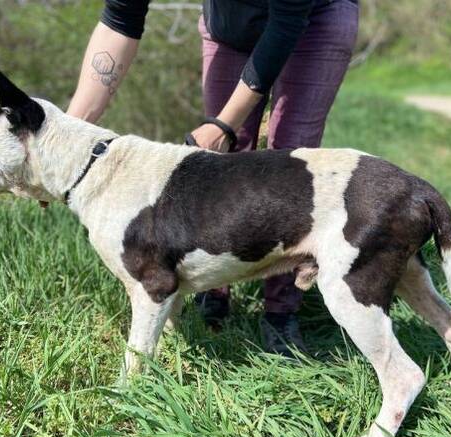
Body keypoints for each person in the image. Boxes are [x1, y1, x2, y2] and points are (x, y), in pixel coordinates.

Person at [68, 0, 359, 357]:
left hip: (313, 17)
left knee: (291, 164)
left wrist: (224, 124)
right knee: (223, 165)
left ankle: (281, 312)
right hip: (230, 25)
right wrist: (68, 138)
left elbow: (286, 23)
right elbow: (119, 20)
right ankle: (214, 292)